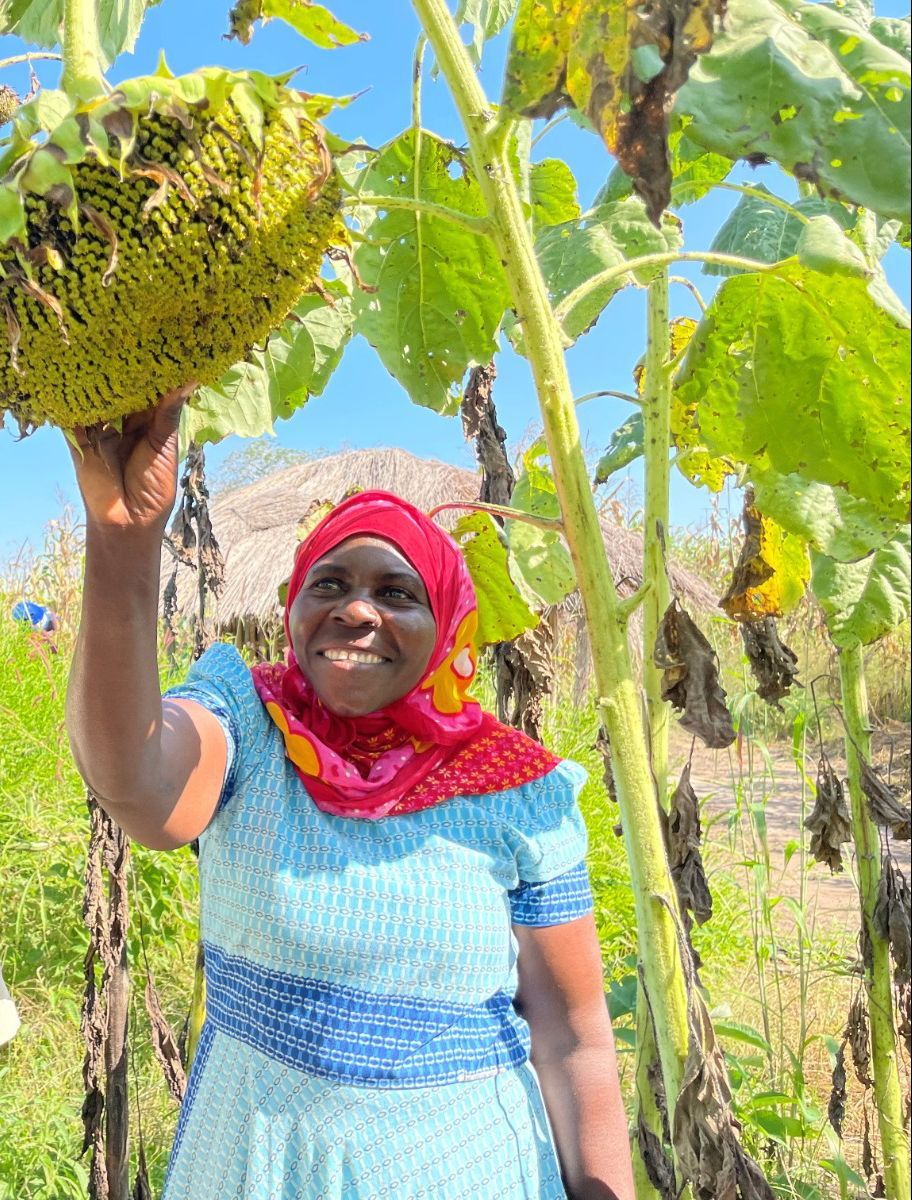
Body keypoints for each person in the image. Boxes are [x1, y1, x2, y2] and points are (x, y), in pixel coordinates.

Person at [65, 389, 635, 1200]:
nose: (357, 610)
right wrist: (123, 544)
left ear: (449, 627)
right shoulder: (251, 719)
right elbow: (143, 787)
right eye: (327, 583)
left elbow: (574, 1039)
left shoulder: (518, 788)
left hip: (465, 1169)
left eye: (399, 594)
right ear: (293, 608)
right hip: (255, 1164)